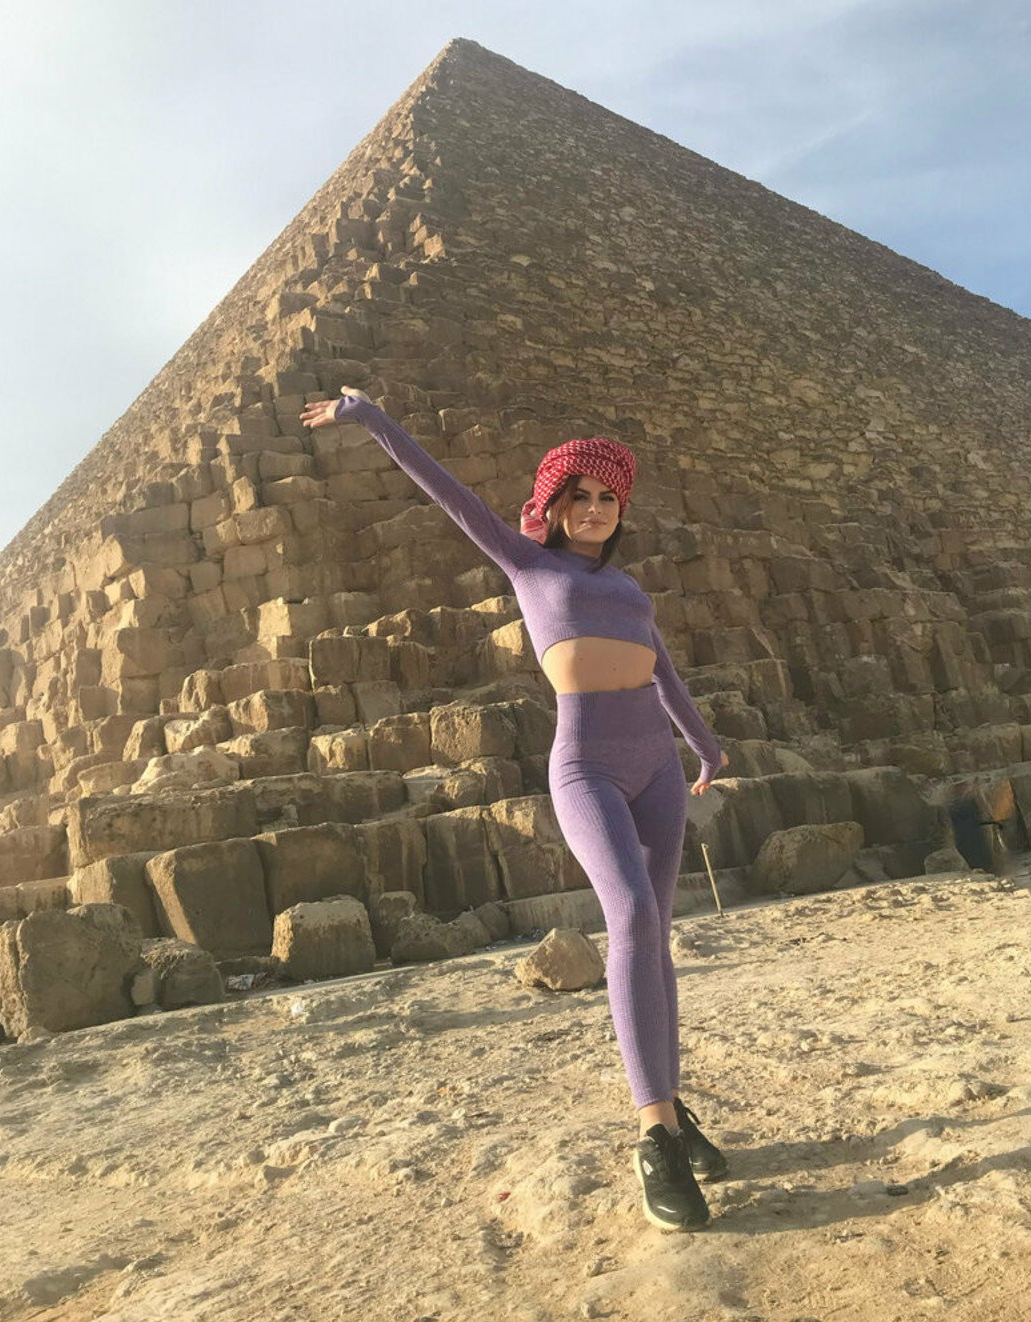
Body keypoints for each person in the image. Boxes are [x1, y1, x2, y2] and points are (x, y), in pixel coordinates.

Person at [301, 387, 731, 1233]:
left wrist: (707, 746)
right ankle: (655, 1137)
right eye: (581, 495)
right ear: (553, 502)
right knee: (630, 912)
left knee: (655, 940)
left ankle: (674, 1113)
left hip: (657, 766)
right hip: (587, 766)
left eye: (609, 497)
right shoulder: (527, 562)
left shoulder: (631, 586)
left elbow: (663, 673)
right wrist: (372, 418)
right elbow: (447, 493)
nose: (597, 509)